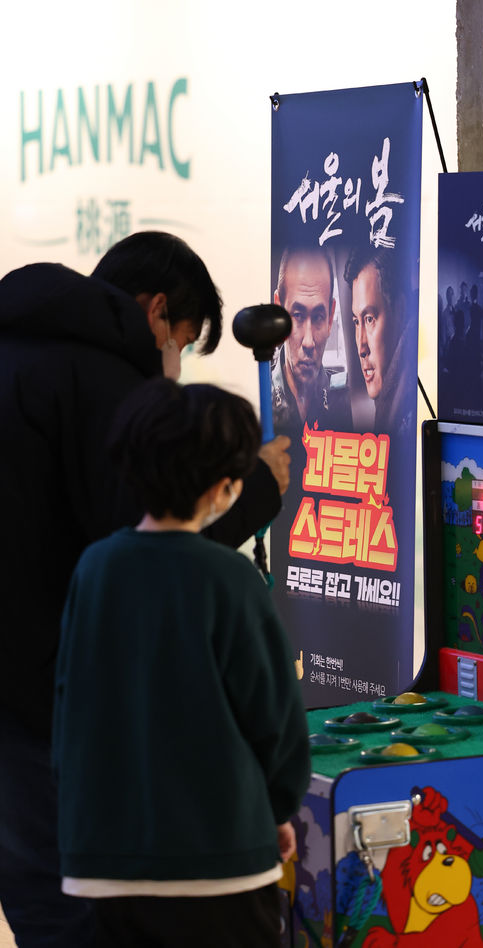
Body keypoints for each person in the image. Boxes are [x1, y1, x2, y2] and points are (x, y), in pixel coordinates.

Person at [0, 231, 290, 947]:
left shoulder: (18, 349)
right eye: (183, 342)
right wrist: (254, 493)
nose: (174, 365)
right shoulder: (102, 379)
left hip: (15, 691)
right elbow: (153, 550)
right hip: (47, 705)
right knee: (84, 914)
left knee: (41, 903)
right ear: (156, 311)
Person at [52, 378, 310, 948]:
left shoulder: (95, 568)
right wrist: (277, 808)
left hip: (106, 859)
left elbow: (69, 707)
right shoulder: (230, 577)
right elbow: (275, 717)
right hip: (221, 858)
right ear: (223, 488)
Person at [272, 243, 351, 434]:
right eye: (298, 315)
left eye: (318, 317)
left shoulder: (344, 402)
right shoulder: (258, 397)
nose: (308, 342)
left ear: (330, 318)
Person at [344, 246, 415, 435]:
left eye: (369, 319)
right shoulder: (392, 407)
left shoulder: (410, 413)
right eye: (356, 322)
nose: (361, 348)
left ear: (401, 311)